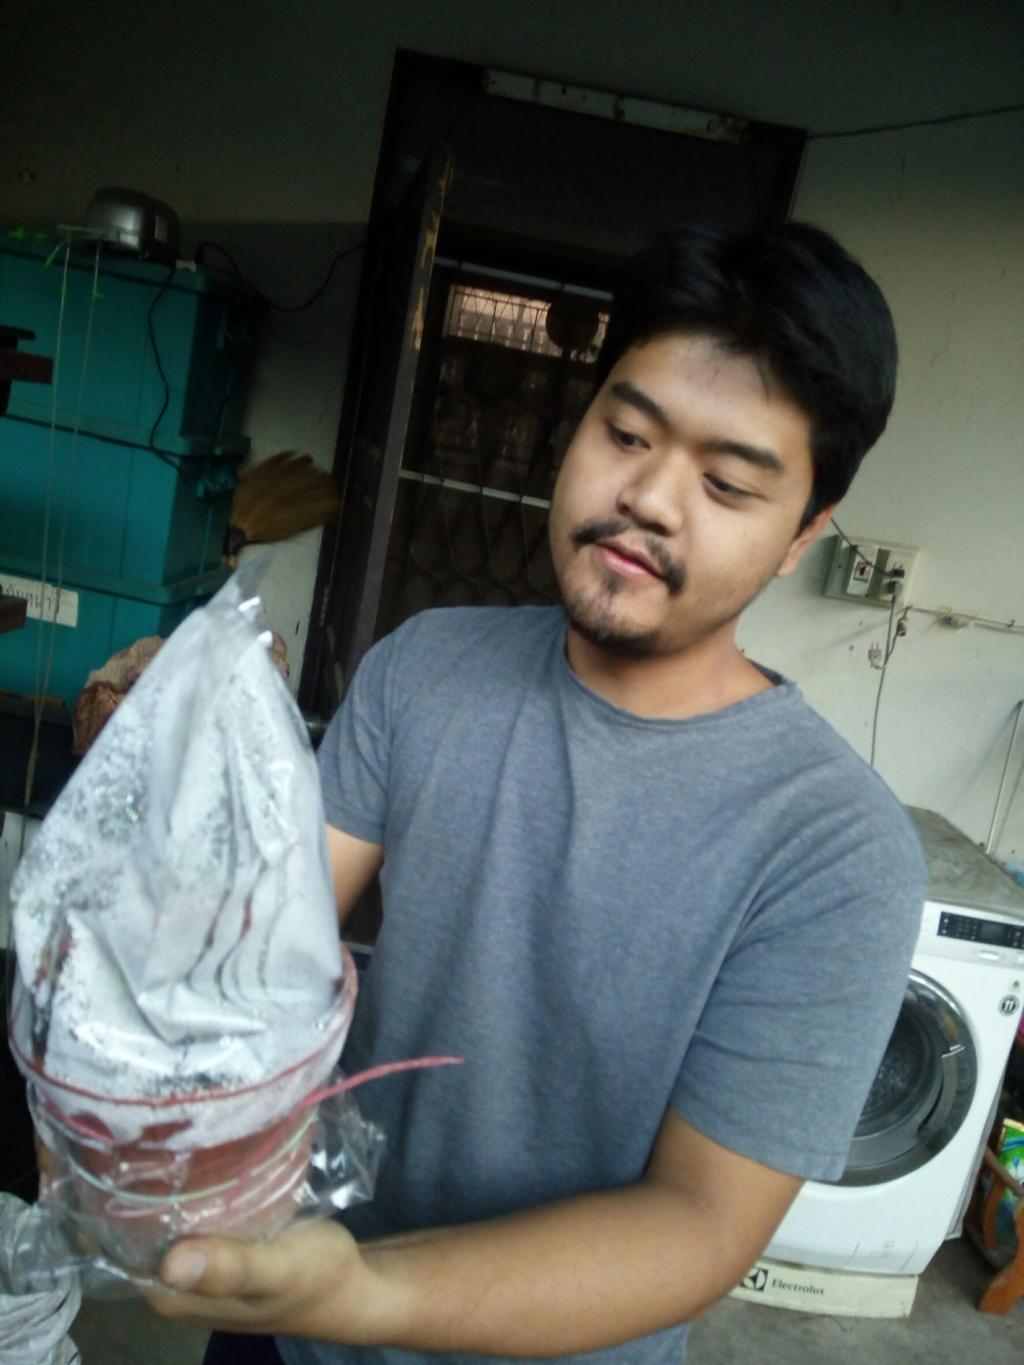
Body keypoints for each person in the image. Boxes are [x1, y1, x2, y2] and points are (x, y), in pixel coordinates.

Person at [152, 221, 925, 1363]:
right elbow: (264, 944)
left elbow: (700, 1222)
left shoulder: (835, 849)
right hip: (282, 1303)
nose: (650, 497)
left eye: (725, 483)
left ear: (801, 535)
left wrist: (363, 1293)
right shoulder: (425, 668)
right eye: (626, 434)